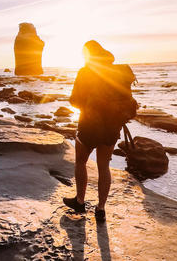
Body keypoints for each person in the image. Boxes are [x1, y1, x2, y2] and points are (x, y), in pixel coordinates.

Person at [63, 40, 136, 222]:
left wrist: (88, 105)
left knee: (80, 162)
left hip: (89, 125)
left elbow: (75, 100)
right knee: (104, 167)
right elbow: (127, 98)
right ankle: (101, 208)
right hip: (111, 127)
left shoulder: (85, 72)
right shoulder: (118, 72)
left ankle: (80, 201)